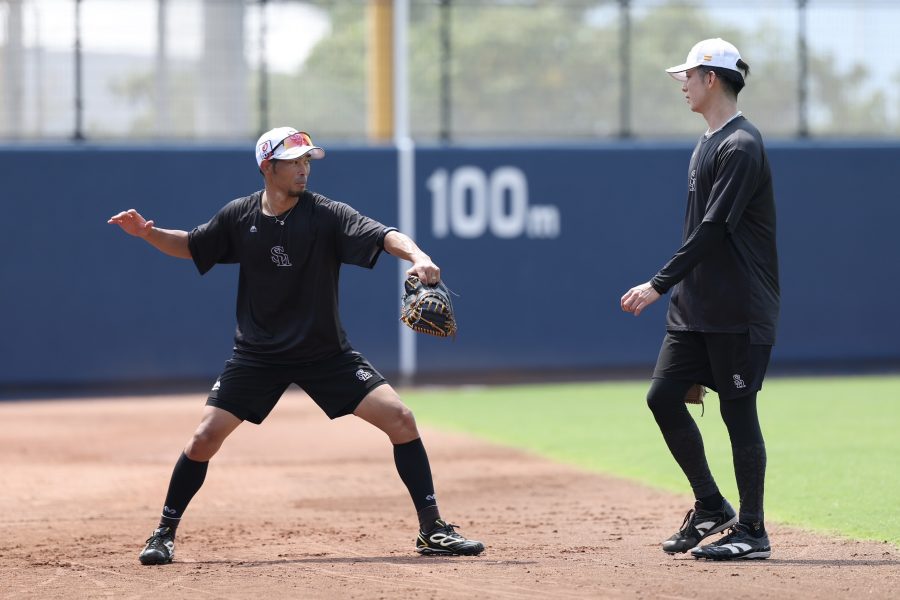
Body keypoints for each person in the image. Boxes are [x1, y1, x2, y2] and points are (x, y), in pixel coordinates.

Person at [109, 127, 485, 565]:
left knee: (401, 419)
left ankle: (432, 529)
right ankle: (164, 532)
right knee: (204, 438)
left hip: (324, 353)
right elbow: (192, 245)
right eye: (294, 162)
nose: (304, 168)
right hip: (257, 355)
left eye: (307, 160)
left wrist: (418, 256)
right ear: (268, 166)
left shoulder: (326, 214)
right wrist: (148, 233)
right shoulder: (240, 215)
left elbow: (384, 235)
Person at [620, 39, 779, 561]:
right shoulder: (708, 141)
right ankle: (711, 506)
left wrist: (657, 283)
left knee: (738, 412)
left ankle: (752, 530)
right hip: (696, 308)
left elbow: (714, 229)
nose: (683, 85)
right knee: (662, 397)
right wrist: (677, 290)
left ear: (711, 78)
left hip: (738, 307)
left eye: (688, 76)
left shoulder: (742, 145)